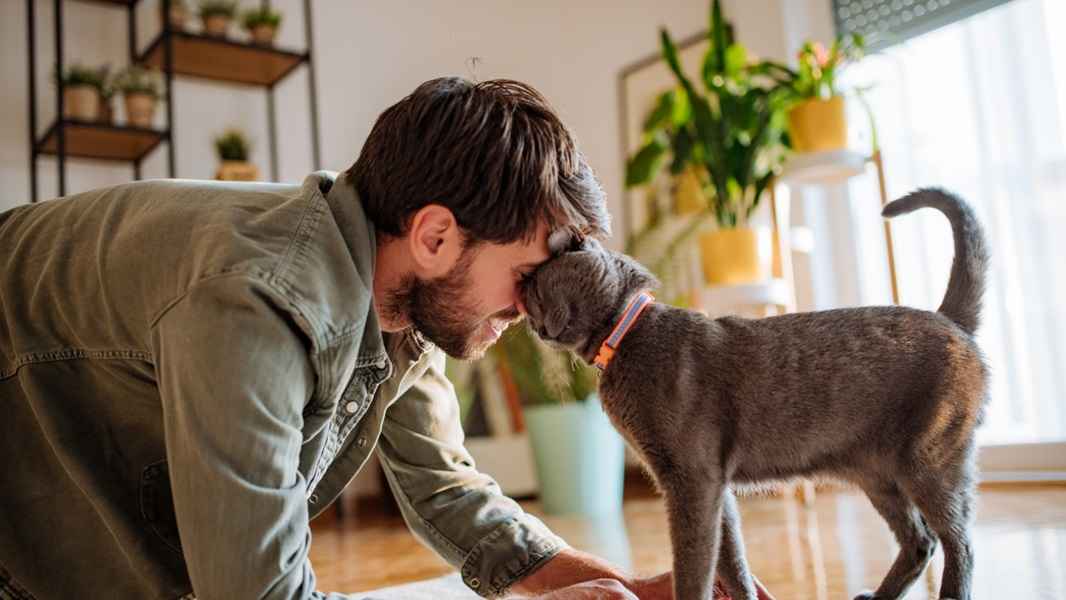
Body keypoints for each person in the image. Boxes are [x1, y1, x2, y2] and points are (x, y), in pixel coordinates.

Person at [0, 77, 679, 600]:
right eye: (526, 273)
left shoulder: (402, 301)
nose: (532, 308)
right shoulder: (254, 304)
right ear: (436, 235)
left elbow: (447, 492)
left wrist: (623, 587)